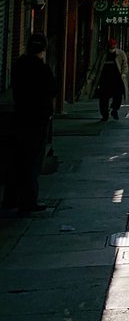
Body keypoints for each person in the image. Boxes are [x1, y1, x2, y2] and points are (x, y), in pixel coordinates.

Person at [11, 34, 57, 215]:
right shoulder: (41, 68)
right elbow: (52, 90)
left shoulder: (18, 65)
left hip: (20, 116)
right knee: (32, 161)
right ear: (43, 49)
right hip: (37, 119)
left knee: (18, 159)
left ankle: (13, 198)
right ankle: (28, 202)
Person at [97, 38, 128, 121]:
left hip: (117, 79)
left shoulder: (120, 54)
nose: (112, 46)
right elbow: (97, 67)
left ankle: (114, 110)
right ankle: (105, 114)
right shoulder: (103, 54)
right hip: (105, 80)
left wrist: (124, 73)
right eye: (111, 45)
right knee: (103, 98)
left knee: (118, 96)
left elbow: (124, 65)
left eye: (113, 45)